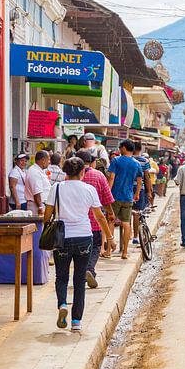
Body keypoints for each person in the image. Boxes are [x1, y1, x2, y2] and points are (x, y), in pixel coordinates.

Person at [44, 157, 114, 332]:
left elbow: (47, 215)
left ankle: (62, 304)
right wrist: (110, 238)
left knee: (61, 276)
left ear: (65, 172)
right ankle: (76, 321)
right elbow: (99, 216)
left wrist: (48, 226)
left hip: (62, 238)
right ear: (83, 172)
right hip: (84, 237)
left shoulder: (57, 188)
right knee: (80, 279)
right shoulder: (89, 189)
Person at [76, 150, 115, 287]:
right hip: (94, 221)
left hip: (75, 223)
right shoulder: (98, 175)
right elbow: (106, 199)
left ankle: (81, 273)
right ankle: (90, 269)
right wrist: (110, 213)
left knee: (79, 251)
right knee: (96, 247)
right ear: (91, 162)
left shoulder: (68, 178)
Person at [108, 140, 143, 259]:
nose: (119, 149)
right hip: (128, 197)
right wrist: (137, 194)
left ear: (124, 148)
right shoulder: (136, 163)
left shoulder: (116, 160)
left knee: (111, 221)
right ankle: (125, 252)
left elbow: (112, 178)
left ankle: (108, 250)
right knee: (126, 223)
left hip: (115, 196)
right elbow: (139, 181)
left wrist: (107, 193)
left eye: (120, 147)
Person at [132, 142, 154, 245]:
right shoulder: (144, 161)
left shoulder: (128, 159)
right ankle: (136, 236)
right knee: (138, 212)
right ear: (141, 149)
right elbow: (147, 177)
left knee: (128, 214)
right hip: (140, 189)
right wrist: (149, 192)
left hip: (127, 188)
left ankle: (129, 235)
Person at [24, 150, 51, 216]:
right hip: (37, 207)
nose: (49, 162)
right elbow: (37, 192)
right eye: (48, 160)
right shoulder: (34, 172)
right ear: (43, 160)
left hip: (42, 204)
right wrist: (40, 207)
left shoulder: (39, 170)